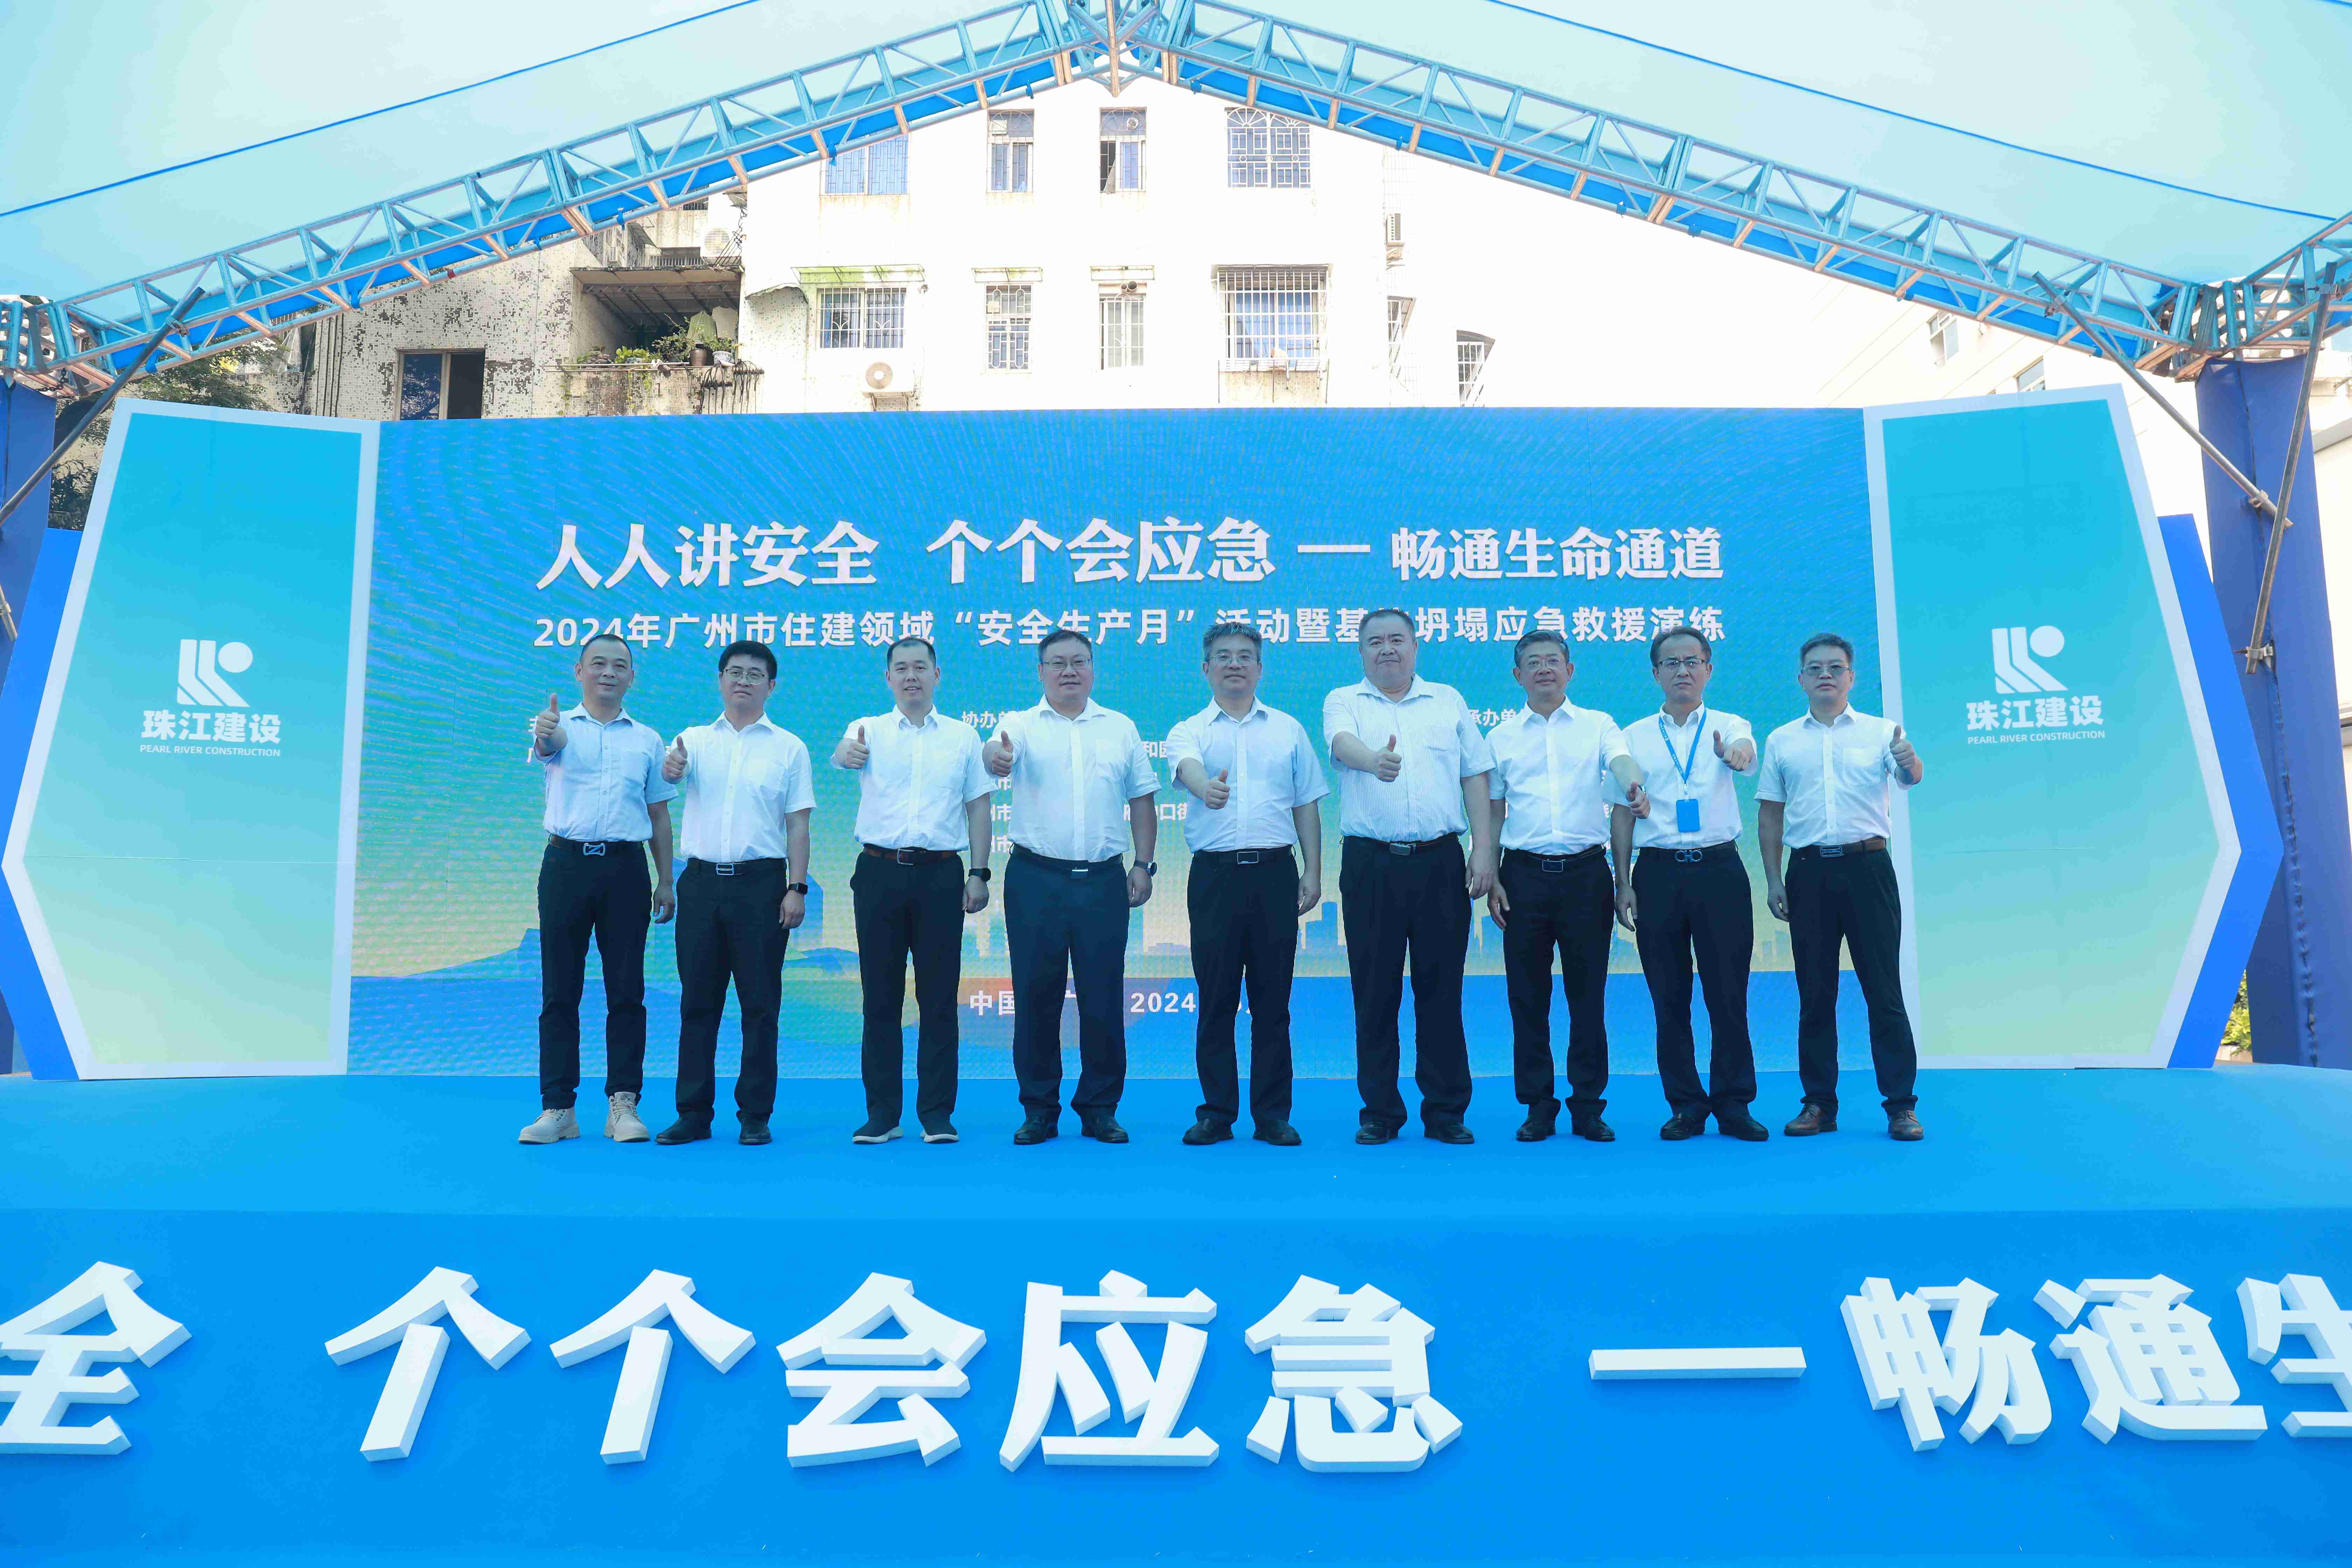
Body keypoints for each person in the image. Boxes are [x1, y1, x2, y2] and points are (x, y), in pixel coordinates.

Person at [1321, 608, 1498, 1145]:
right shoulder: (1344, 700)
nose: (1387, 650)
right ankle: (1380, 1112)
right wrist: (1373, 760)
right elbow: (1341, 744)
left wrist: (1484, 849)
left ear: (1415, 647)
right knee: (1374, 992)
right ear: (1361, 652)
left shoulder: (1447, 700)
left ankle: (1446, 1111)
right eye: (1375, 642)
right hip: (1371, 865)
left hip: (1440, 862)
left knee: (1441, 991)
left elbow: (1475, 775)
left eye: (1397, 639)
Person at [983, 629, 1159, 1145]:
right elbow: (996, 753)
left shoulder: (1120, 728)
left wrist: (1144, 864)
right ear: (1041, 672)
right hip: (1035, 879)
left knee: (1102, 998)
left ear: (1093, 670)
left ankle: (1100, 1108)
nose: (1068, 671)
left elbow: (1143, 800)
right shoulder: (1019, 724)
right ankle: (1039, 1109)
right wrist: (997, 757)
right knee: (1035, 996)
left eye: (1078, 661)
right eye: (1057, 663)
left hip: (1103, 880)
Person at [1755, 632, 1927, 1141]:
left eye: (1835, 667)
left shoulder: (1882, 732)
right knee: (1815, 994)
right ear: (1801, 679)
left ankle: (1901, 1106)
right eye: (1815, 668)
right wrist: (1773, 877)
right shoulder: (1782, 740)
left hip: (1868, 869)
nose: (1825, 675)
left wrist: (1910, 759)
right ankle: (1818, 1104)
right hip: (1808, 873)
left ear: (1851, 677)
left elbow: (1911, 778)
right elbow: (1770, 815)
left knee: (1884, 992)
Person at [1166, 621, 1328, 1148]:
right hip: (1214, 877)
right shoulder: (1190, 730)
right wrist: (1205, 789)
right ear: (1206, 668)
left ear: (1260, 669)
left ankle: (1272, 1115)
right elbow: (1188, 769)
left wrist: (1313, 871)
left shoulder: (1288, 730)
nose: (1234, 664)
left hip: (1275, 874)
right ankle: (1216, 1113)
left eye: (1244, 656)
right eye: (1223, 656)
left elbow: (1307, 805)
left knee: (1272, 1003)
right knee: (1216, 1000)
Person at [1484, 629, 1649, 1143]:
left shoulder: (1598, 725)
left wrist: (1633, 783)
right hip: (1522, 876)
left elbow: (1621, 761)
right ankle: (1538, 1106)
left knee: (1588, 996)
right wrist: (1491, 874)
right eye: (1533, 663)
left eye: (1553, 660)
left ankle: (1588, 1107)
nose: (1544, 669)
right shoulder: (1501, 737)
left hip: (1586, 877)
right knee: (1527, 998)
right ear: (1518, 676)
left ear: (1570, 670)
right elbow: (1493, 811)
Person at [1609, 625, 1769, 1142]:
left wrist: (1736, 755)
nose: (1683, 671)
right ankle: (1685, 1105)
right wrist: (1622, 882)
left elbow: (1744, 752)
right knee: (1669, 997)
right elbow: (1621, 814)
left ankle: (1734, 1104)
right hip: (1656, 874)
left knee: (1729, 995)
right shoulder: (1632, 737)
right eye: (1671, 663)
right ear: (1656, 673)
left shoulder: (1730, 725)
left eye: (1692, 662)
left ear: (1709, 669)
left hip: (1719, 872)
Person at [833, 635, 994, 1146]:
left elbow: (979, 807)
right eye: (901, 668)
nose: (911, 676)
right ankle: (882, 1114)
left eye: (920, 667)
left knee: (939, 998)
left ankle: (937, 1114)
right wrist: (847, 753)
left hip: (941, 875)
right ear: (888, 678)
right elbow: (843, 755)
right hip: (878, 873)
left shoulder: (963, 737)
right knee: (879, 998)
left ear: (936, 675)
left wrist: (980, 872)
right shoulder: (867, 729)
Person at [651, 639, 812, 1147]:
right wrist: (671, 770)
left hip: (762, 886)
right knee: (698, 1004)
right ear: (720, 680)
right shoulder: (693, 740)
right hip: (700, 883)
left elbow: (798, 825)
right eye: (735, 672)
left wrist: (797, 887)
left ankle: (755, 1116)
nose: (744, 681)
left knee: (760, 1006)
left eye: (755, 674)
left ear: (772, 686)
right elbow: (669, 779)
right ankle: (693, 1115)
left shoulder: (790, 748)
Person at [518, 632, 676, 1146]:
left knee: (627, 991)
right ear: (579, 671)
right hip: (565, 866)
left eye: (620, 665)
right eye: (599, 664)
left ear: (632, 677)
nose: (609, 672)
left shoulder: (647, 740)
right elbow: (547, 748)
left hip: (625, 869)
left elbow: (658, 814)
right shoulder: (557, 726)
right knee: (559, 991)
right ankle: (558, 1109)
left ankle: (623, 1105)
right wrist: (546, 733)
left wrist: (666, 880)